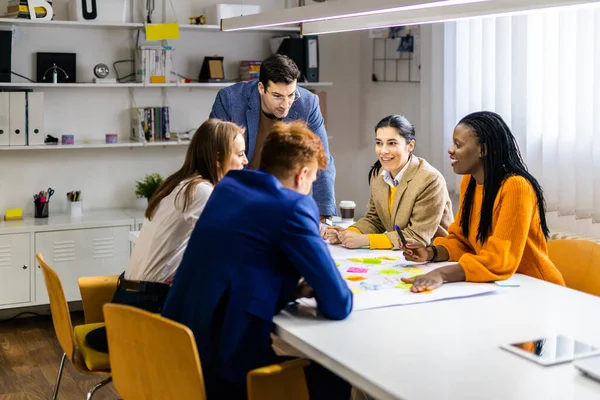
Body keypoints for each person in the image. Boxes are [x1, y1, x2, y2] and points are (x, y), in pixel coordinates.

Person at [161, 121, 353, 400]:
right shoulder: (294, 206)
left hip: (177, 349)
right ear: (302, 175)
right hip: (222, 369)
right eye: (312, 180)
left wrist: (289, 288)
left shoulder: (228, 189)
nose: (310, 187)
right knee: (333, 375)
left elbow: (238, 265)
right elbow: (338, 303)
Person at [84, 119, 248, 353]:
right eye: (240, 154)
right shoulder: (199, 190)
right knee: (229, 331)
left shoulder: (179, 183)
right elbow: (230, 244)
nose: (246, 161)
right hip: (146, 308)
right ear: (218, 158)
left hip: (129, 299)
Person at [400, 111, 565, 292]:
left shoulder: (516, 187)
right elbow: (463, 242)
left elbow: (499, 259)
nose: (450, 150)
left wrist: (442, 273)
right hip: (499, 287)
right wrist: (430, 252)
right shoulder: (469, 183)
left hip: (537, 288)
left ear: (483, 149)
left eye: (458, 144)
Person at [209, 53, 336, 218]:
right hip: (237, 192)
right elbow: (214, 157)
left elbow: (322, 159)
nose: (286, 105)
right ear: (261, 88)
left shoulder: (308, 103)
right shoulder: (230, 100)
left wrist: (324, 216)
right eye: (277, 96)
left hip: (282, 194)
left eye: (291, 95)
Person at [326, 115, 452, 249]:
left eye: (392, 143)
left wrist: (365, 240)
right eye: (379, 143)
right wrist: (347, 234)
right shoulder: (379, 174)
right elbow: (375, 219)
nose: (383, 151)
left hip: (434, 255)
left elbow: (416, 236)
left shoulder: (430, 180)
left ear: (410, 146)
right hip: (401, 255)